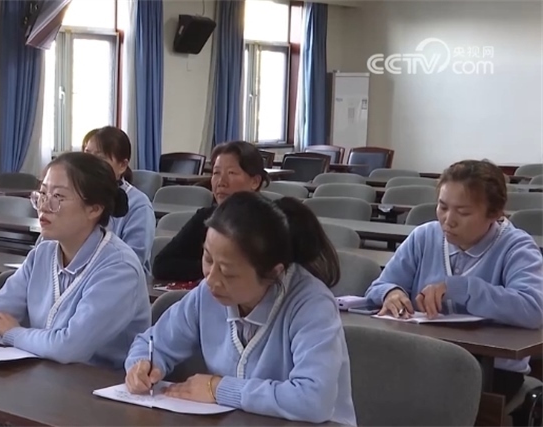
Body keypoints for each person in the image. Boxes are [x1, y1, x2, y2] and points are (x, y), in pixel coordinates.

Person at [124, 192, 355, 425]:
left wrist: (217, 388)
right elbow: (152, 342)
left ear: (274, 272)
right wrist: (142, 365)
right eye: (208, 259)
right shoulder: (206, 295)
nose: (211, 279)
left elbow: (313, 400)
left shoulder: (312, 306)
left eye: (228, 272)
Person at [0, 152, 151, 369]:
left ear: (94, 209)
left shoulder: (119, 268)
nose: (44, 205)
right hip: (46, 371)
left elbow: (69, 346)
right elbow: (2, 305)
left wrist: (14, 333)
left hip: (97, 383)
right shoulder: (44, 251)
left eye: (58, 197)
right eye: (42, 193)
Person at [365, 159, 543, 400]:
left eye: (463, 212)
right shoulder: (424, 236)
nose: (448, 220)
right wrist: (391, 293)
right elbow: (379, 286)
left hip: (491, 370)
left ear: (494, 214)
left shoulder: (516, 247)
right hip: (421, 356)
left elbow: (533, 308)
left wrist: (461, 288)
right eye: (442, 207)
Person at [152, 141, 268, 282]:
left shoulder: (270, 223)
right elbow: (162, 265)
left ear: (255, 182)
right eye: (216, 173)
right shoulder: (205, 217)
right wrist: (212, 268)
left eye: (231, 173)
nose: (221, 182)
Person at [82, 126, 155, 271]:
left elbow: (133, 260)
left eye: (100, 158)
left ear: (122, 165)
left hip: (119, 277)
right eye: (87, 155)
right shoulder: (77, 196)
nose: (90, 164)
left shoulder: (138, 205)